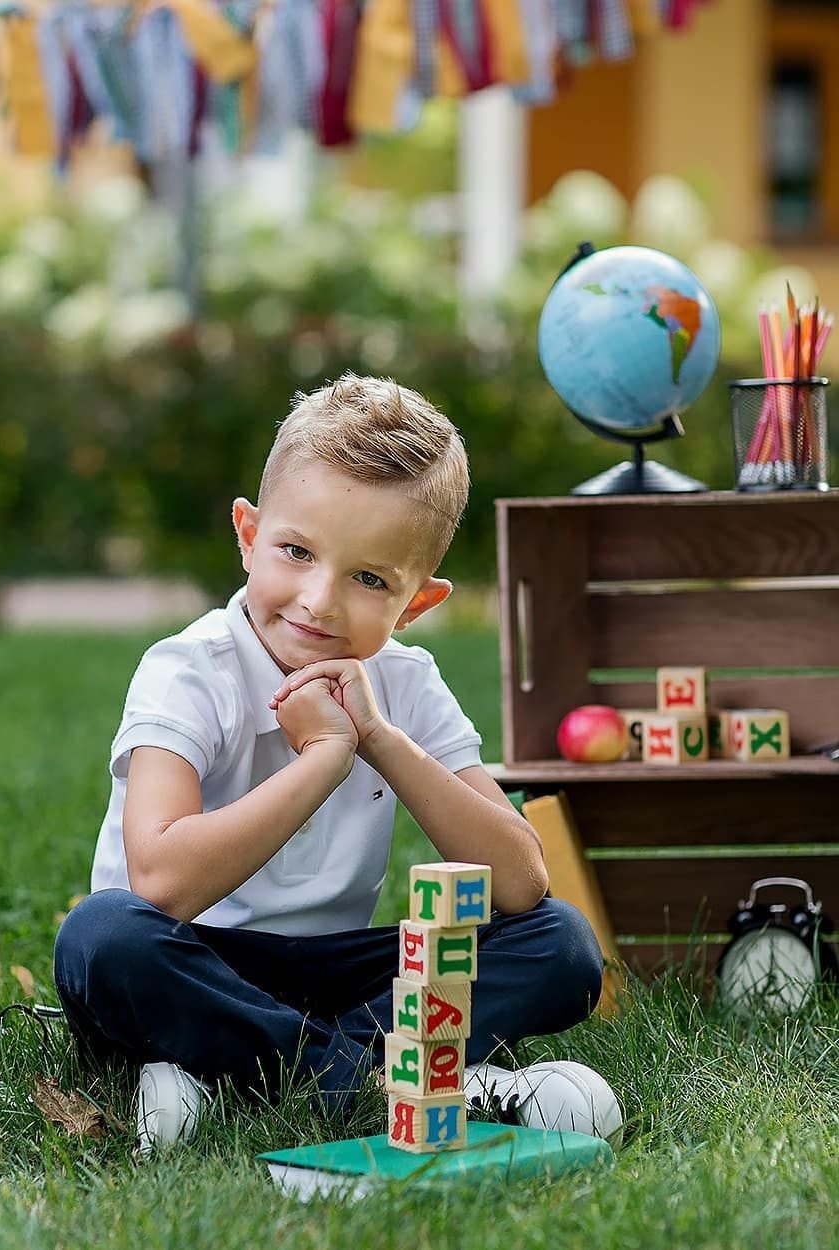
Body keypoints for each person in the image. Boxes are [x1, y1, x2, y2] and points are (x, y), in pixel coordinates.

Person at [54, 373, 605, 1150]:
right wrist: (324, 758)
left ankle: (231, 1076)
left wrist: (379, 738)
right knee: (102, 936)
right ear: (248, 535)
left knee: (561, 943)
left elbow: (520, 882)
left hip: (335, 975)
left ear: (417, 605)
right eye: (297, 551)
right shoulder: (190, 670)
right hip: (189, 959)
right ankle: (394, 1079)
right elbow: (160, 881)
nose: (319, 599)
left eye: (370, 579)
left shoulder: (406, 683)